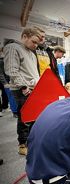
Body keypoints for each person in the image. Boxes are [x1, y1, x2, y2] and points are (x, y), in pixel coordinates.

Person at [3, 27, 41, 155]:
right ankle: (22, 144)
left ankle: (32, 140)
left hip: (33, 88)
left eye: (37, 43)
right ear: (25, 36)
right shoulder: (13, 47)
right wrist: (24, 87)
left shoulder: (30, 51)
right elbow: (12, 71)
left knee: (34, 116)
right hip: (22, 89)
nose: (35, 45)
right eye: (34, 42)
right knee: (25, 116)